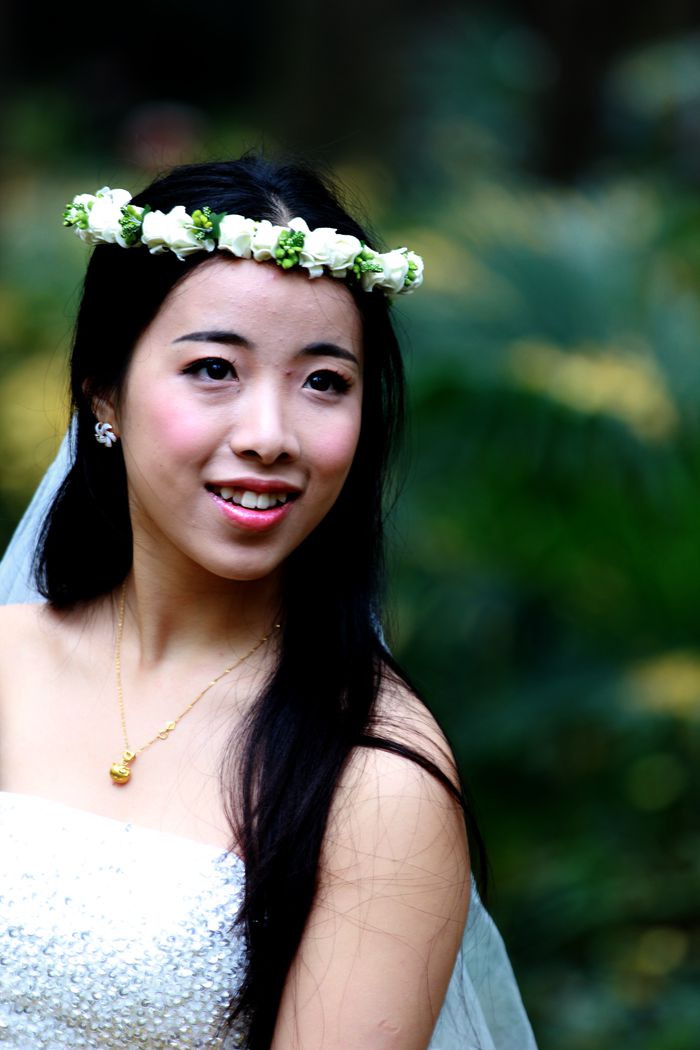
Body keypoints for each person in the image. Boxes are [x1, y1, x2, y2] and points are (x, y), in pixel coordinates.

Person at [0, 156, 537, 1050]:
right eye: (215, 368)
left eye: (324, 381)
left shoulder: (374, 774)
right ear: (104, 393)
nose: (269, 436)